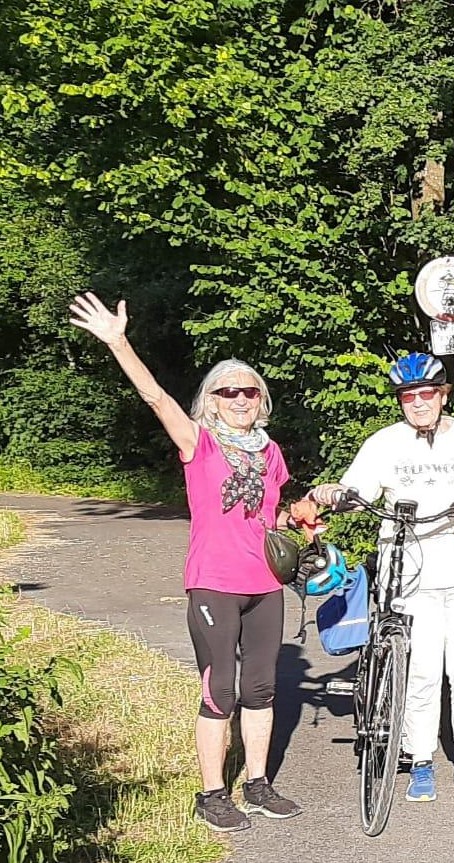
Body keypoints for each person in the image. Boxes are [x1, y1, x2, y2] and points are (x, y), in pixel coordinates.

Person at [69, 291, 305, 833]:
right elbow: (155, 397)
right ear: (211, 401)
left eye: (249, 391)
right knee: (219, 689)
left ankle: (258, 785)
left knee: (261, 689)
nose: (240, 399)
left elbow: (267, 515)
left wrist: (300, 522)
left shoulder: (270, 452)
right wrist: (119, 343)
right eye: (228, 392)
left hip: (265, 584)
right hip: (214, 583)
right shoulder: (199, 442)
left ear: (261, 400)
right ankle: (212, 794)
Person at [311, 353, 454, 801]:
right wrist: (334, 493)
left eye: (426, 394)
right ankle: (420, 759)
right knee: (420, 670)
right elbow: (355, 492)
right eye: (408, 397)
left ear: (443, 396)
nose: (418, 403)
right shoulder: (384, 442)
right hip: (411, 569)